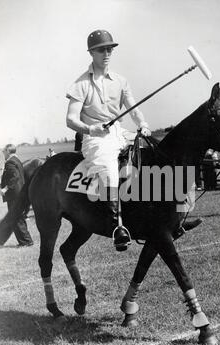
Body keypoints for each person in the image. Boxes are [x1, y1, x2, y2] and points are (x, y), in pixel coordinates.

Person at [66, 29, 151, 250]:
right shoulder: (81, 84)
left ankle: (165, 216)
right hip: (95, 138)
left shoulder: (121, 81)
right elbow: (70, 119)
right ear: (91, 53)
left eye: (110, 49)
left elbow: (133, 109)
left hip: (119, 133)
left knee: (152, 152)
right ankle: (117, 227)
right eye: (102, 49)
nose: (107, 53)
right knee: (110, 169)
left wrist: (142, 123)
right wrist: (91, 129)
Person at [0, 144, 33, 247]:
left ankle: (26, 242)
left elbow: (15, 176)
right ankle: (25, 241)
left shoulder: (10, 162)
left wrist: (5, 189)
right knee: (17, 218)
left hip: (14, 195)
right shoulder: (17, 160)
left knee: (17, 218)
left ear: (8, 151)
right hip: (19, 194)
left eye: (3, 151)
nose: (3, 153)